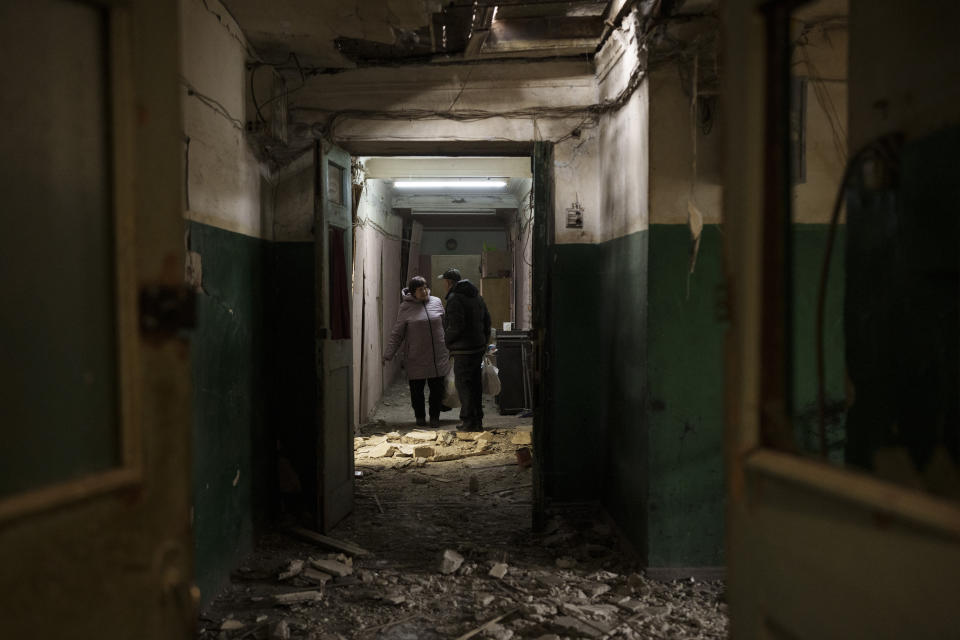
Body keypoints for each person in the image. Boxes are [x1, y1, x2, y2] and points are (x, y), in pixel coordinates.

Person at [383, 276, 451, 427]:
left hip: (437, 356)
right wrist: (388, 354)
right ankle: (420, 417)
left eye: (425, 287)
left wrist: (451, 347)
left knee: (437, 390)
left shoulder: (436, 302)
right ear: (413, 292)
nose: (424, 291)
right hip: (416, 357)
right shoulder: (405, 308)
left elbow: (446, 325)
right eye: (420, 289)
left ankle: (435, 417)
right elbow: (397, 333)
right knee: (417, 391)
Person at [440, 268, 491, 431]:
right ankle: (477, 421)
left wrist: (447, 342)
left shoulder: (455, 299)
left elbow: (456, 326)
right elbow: (487, 321)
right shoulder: (477, 296)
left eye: (445, 283)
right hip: (477, 348)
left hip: (463, 350)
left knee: (464, 386)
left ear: (449, 283)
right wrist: (484, 341)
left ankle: (468, 421)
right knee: (475, 386)